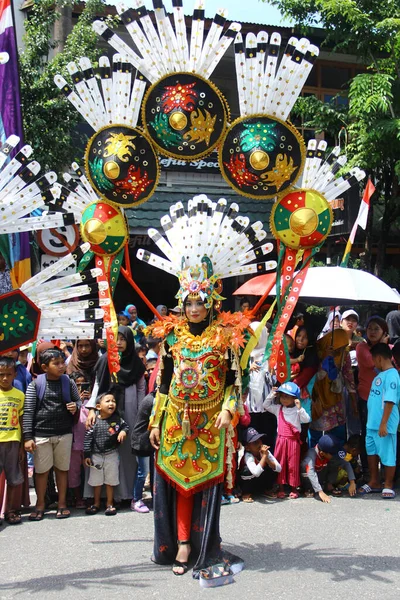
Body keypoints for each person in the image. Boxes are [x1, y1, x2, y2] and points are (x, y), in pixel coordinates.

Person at [148, 297, 249, 577]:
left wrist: (229, 410)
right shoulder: (171, 336)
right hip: (175, 423)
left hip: (211, 422)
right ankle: (182, 545)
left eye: (200, 303)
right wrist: (155, 421)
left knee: (206, 489)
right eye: (189, 303)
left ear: (212, 305)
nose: (194, 309)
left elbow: (234, 382)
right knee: (179, 486)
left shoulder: (226, 336)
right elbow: (164, 384)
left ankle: (206, 544)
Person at [86, 326, 146, 504]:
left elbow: (141, 389)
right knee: (102, 448)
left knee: (126, 450)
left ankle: (125, 493)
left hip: (130, 410)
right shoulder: (105, 360)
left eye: (123, 339)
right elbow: (97, 386)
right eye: (115, 338)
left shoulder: (136, 363)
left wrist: (141, 415)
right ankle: (102, 495)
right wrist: (92, 409)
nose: (118, 343)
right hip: (105, 410)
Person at [23, 348, 80, 520]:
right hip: (42, 435)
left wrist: (75, 406)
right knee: (41, 472)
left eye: (63, 362)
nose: (62, 366)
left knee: (62, 470)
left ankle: (62, 504)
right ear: (45, 367)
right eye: (56, 364)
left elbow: (77, 400)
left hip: (64, 433)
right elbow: (28, 411)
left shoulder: (68, 382)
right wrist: (27, 437)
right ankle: (40, 504)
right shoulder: (36, 385)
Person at [358, 344, 400, 499]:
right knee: (372, 452)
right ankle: (374, 481)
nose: (373, 364)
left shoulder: (392, 375)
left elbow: (390, 401)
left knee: (388, 453)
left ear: (379, 358)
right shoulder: (379, 376)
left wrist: (384, 423)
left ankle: (388, 484)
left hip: (385, 425)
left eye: (374, 360)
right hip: (372, 424)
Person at [310, 328, 356, 447]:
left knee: (338, 432)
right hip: (318, 395)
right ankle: (315, 459)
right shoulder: (317, 351)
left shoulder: (344, 354)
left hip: (336, 396)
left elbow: (348, 376)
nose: (340, 347)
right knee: (316, 432)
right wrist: (326, 358)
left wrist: (353, 401)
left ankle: (337, 460)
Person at [264, 382, 311, 499]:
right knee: (281, 463)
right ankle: (281, 488)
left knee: (292, 465)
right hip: (281, 440)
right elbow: (265, 405)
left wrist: (300, 409)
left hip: (293, 442)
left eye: (287, 397)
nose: (284, 399)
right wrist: (271, 394)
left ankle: (294, 488)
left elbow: (307, 419)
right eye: (282, 396)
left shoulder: (297, 410)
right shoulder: (278, 409)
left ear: (294, 398)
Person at [84, 392, 128, 515]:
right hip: (96, 455)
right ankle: (96, 503)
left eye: (113, 401)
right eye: (107, 401)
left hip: (112, 454)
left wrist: (123, 432)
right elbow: (88, 439)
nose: (111, 404)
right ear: (98, 406)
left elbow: (125, 427)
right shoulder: (94, 421)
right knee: (96, 481)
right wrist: (87, 455)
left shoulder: (117, 419)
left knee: (111, 480)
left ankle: (110, 503)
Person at [356, 316, 390, 474]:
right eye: (370, 328)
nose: (372, 332)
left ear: (384, 331)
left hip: (386, 398)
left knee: (385, 433)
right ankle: (368, 471)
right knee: (368, 434)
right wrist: (382, 347)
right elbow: (372, 363)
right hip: (366, 397)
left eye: (377, 328)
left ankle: (386, 469)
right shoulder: (362, 347)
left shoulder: (389, 348)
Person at [0, 357, 25, 524]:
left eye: (9, 374)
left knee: (13, 478)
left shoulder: (19, 395)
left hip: (13, 441)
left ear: (15, 374)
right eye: (1, 374)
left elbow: (22, 421)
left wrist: (23, 445)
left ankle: (10, 510)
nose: (5, 378)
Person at [301, 433, 356, 503]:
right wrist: (320, 492)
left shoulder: (329, 454)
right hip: (310, 478)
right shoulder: (311, 455)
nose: (335, 456)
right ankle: (309, 489)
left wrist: (352, 482)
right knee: (305, 466)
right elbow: (311, 473)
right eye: (333, 454)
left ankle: (328, 485)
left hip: (322, 476)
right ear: (322, 453)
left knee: (336, 462)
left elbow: (346, 464)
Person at [238, 427, 281, 503]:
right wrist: (264, 457)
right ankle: (246, 493)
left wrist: (267, 458)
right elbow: (256, 473)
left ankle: (267, 489)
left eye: (259, 440)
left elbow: (279, 468)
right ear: (247, 447)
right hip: (248, 483)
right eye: (255, 442)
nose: (259, 443)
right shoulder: (248, 456)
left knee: (272, 466)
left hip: (260, 481)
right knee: (246, 471)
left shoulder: (265, 452)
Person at [68, 371, 91, 508]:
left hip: (88, 442)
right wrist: (79, 402)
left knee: (89, 471)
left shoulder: (92, 401)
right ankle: (77, 497)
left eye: (84, 384)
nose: (81, 388)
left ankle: (90, 496)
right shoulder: (70, 401)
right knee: (73, 472)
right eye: (77, 385)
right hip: (74, 442)